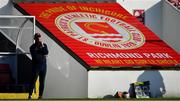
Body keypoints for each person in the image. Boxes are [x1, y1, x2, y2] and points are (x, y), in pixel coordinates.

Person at [29, 33, 48, 99]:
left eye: (39, 37)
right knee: (33, 80)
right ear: (35, 38)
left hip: (43, 66)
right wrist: (41, 54)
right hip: (36, 66)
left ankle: (40, 96)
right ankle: (30, 95)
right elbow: (35, 57)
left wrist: (42, 46)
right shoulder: (32, 47)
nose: (38, 39)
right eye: (37, 37)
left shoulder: (44, 45)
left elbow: (46, 53)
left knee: (42, 81)